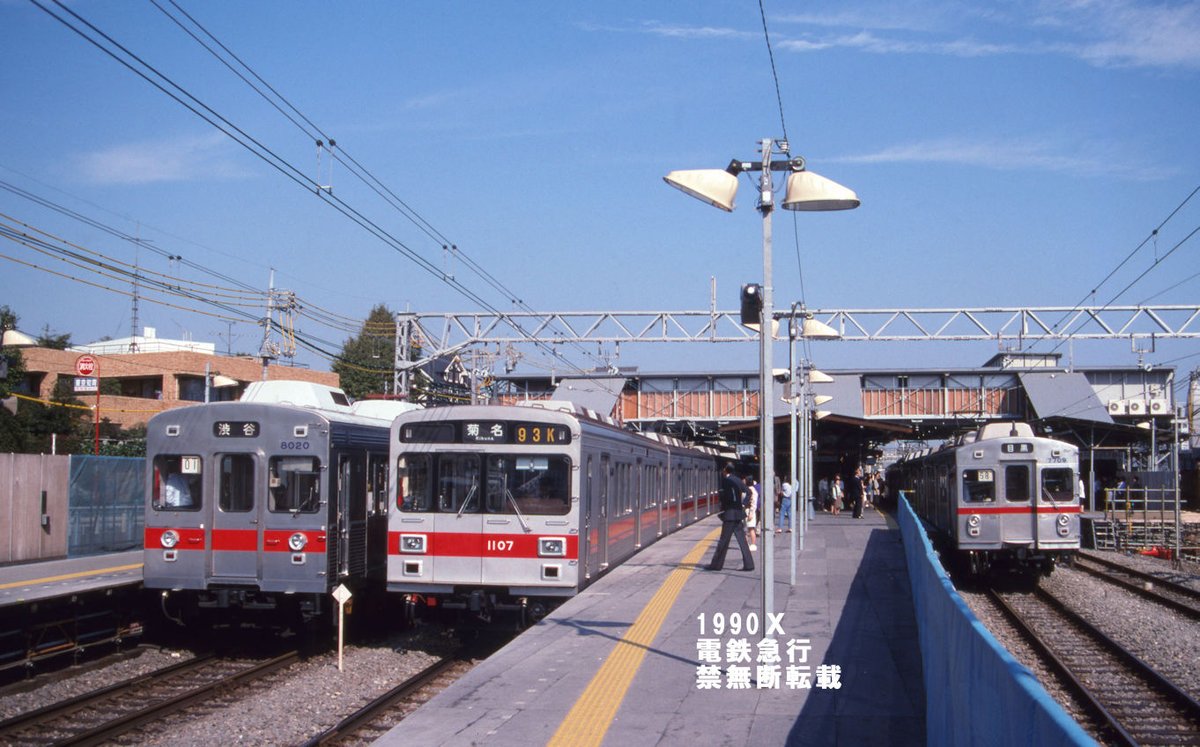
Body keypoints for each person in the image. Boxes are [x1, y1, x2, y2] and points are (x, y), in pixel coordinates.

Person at [706, 464, 755, 572]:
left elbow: (726, 497)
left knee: (723, 541)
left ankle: (716, 565)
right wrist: (742, 504)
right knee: (742, 540)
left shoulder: (726, 481)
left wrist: (725, 505)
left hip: (729, 514)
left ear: (725, 470)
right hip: (738, 513)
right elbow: (749, 492)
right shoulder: (738, 480)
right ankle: (749, 564)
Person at [744, 472, 760, 551]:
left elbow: (753, 503)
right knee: (747, 529)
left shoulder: (751, 490)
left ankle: (753, 544)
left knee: (750, 528)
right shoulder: (750, 489)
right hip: (747, 510)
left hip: (749, 511)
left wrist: (751, 513)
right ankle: (747, 544)